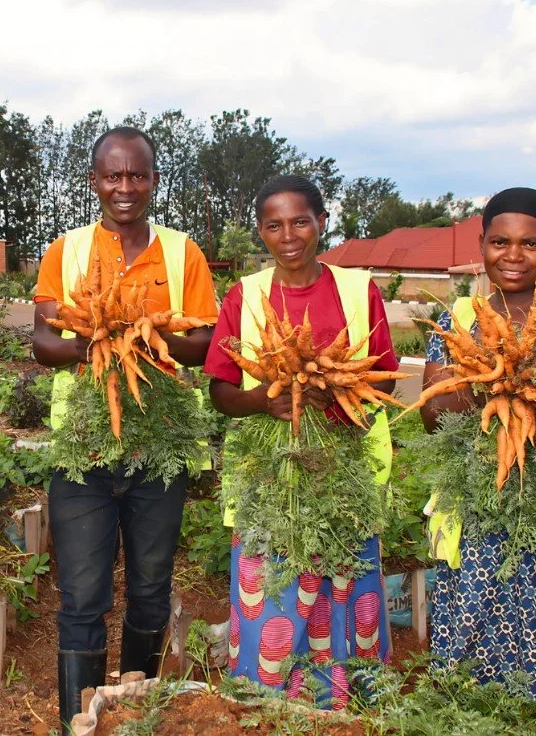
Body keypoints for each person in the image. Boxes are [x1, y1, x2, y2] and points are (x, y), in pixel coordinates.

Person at [32, 126, 218, 731]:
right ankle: (77, 721)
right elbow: (41, 343)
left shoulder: (183, 253)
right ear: (95, 181)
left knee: (151, 588)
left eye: (137, 174)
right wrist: (96, 340)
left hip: (159, 446)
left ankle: (135, 713)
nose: (125, 186)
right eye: (113, 175)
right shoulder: (67, 251)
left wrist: (148, 334)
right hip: (82, 450)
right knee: (82, 595)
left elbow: (204, 342)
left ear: (154, 180)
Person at [204, 175, 397, 708]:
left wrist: (335, 393)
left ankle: (342, 709)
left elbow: (383, 379)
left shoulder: (358, 290)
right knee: (273, 600)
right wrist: (263, 399)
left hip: (345, 474)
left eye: (300, 222)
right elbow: (219, 390)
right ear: (260, 231)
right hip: (268, 478)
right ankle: (265, 706)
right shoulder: (244, 295)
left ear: (321, 223)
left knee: (342, 598)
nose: (288, 236)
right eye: (274, 225)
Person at [422, 187, 536, 707]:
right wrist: (491, 381)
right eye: (500, 242)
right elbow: (431, 415)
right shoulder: (458, 317)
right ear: (481, 244)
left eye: (531, 243)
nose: (514, 255)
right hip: (475, 499)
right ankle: (471, 709)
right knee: (476, 609)